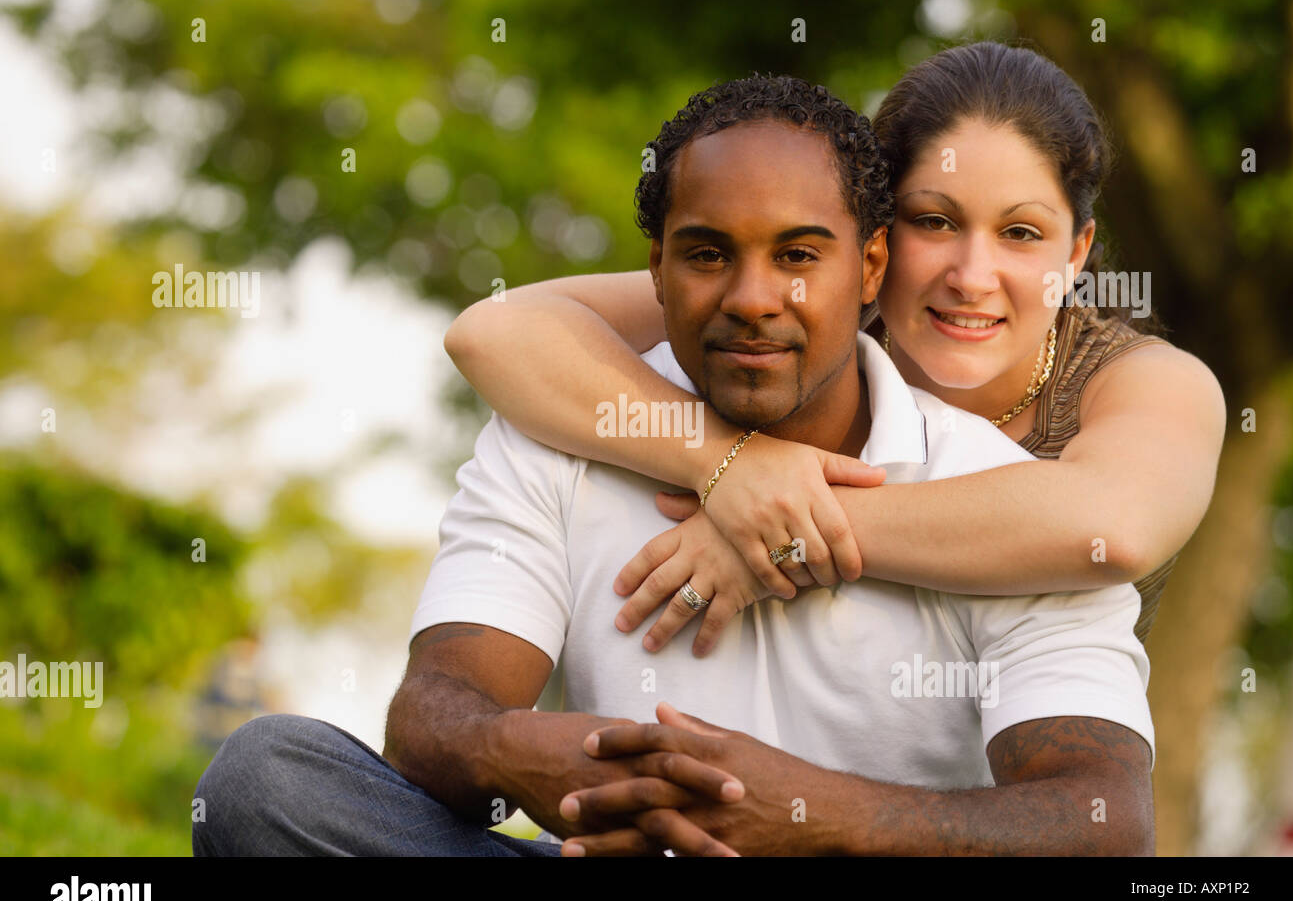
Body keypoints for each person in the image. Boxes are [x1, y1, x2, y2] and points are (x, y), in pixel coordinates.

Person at [193, 74, 1155, 857]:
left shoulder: (1009, 510)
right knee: (268, 780)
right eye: (707, 254)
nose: (751, 298)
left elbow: (1103, 823)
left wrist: (807, 818)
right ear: (655, 269)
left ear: (868, 269)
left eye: (797, 255)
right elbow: (435, 711)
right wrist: (522, 752)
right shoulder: (562, 430)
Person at [443, 42, 1226, 658]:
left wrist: (775, 530)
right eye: (935, 221)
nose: (972, 276)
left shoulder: (1141, 381)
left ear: (1077, 251)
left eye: (1020, 234)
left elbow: (1113, 525)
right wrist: (728, 464)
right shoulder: (803, 307)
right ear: (873, 242)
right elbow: (494, 332)